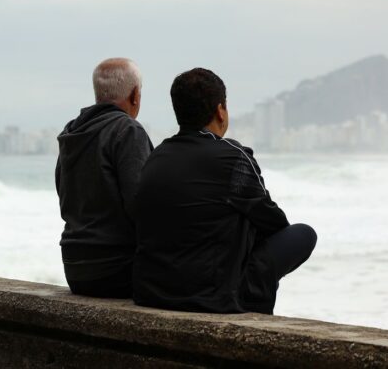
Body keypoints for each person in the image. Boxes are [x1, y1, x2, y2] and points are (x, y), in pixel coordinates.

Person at [133, 68, 317, 314]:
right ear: (221, 111)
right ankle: (251, 301)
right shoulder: (233, 157)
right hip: (213, 296)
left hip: (152, 292)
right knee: (303, 234)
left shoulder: (155, 158)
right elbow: (273, 222)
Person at [56, 58, 153, 298]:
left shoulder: (72, 132)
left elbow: (63, 194)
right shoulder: (128, 130)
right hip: (118, 269)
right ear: (135, 95)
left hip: (75, 268)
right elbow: (140, 205)